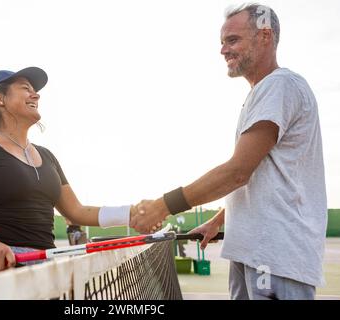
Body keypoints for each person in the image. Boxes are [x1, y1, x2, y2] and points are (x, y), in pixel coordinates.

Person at [130, 3, 327, 300]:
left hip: (274, 259)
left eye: (232, 40)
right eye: (222, 42)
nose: (223, 50)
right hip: (254, 253)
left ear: (264, 36)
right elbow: (260, 173)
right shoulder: (264, 93)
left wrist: (163, 206)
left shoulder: (280, 86)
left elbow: (237, 172)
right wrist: (221, 220)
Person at [0, 66, 139, 280]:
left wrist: (132, 213)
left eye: (35, 90)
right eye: (25, 88)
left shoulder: (47, 156)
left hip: (45, 275)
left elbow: (78, 212)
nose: (36, 95)